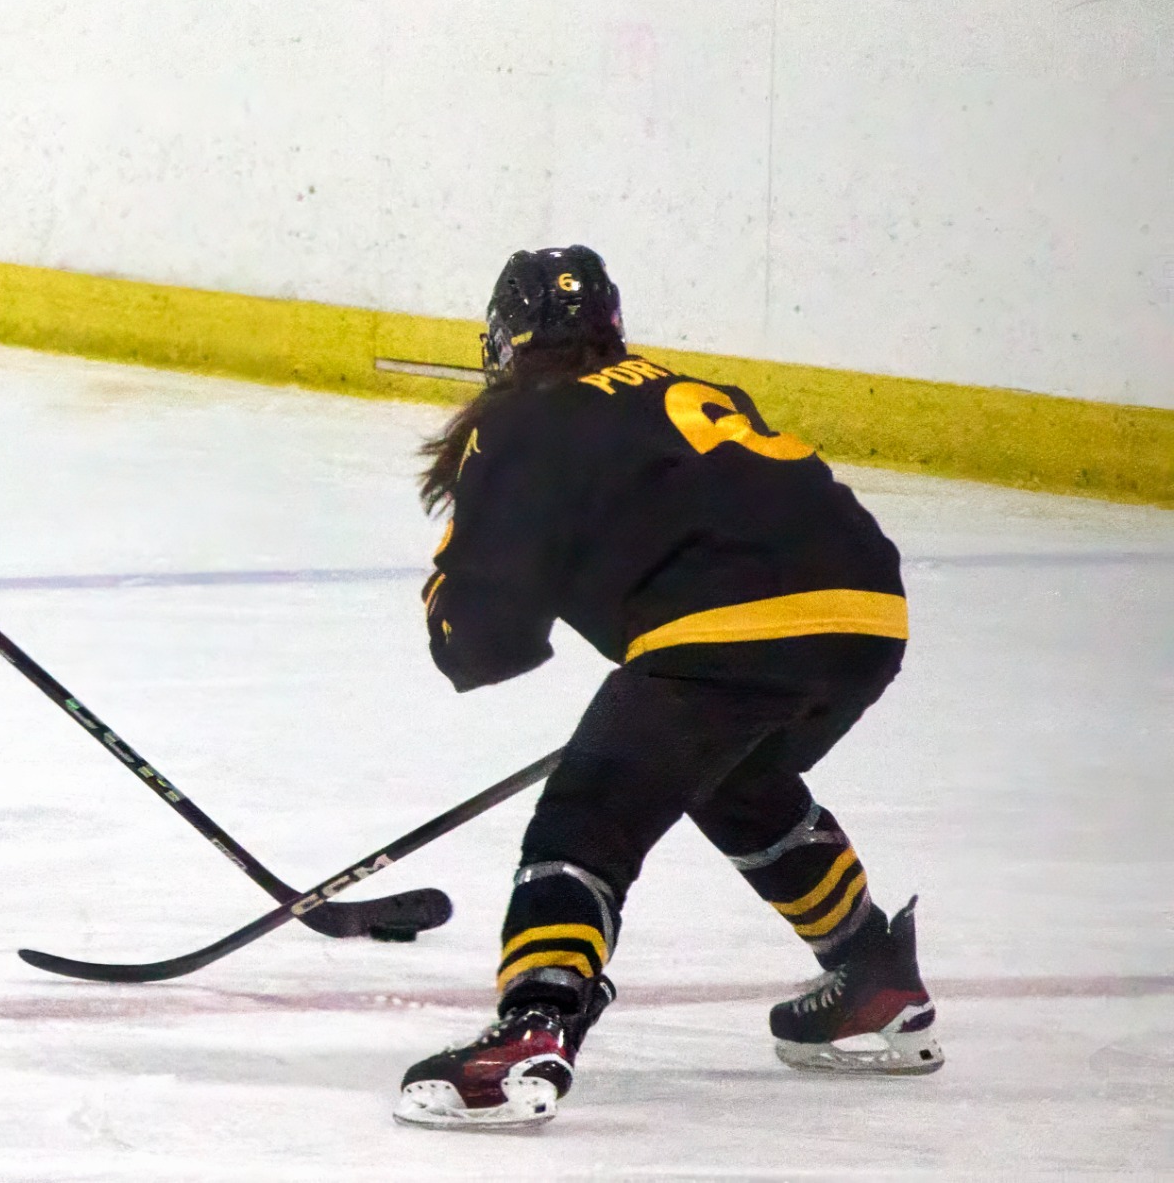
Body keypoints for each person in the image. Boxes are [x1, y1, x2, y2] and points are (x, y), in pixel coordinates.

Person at [393, 246, 941, 1130]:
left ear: (501, 338)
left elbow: (483, 643)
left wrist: (444, 593)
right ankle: (872, 974)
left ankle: (533, 1027)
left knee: (587, 816)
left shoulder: (518, 423)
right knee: (732, 775)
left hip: (721, 636)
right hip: (867, 617)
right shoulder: (685, 391)